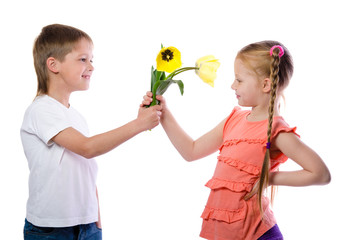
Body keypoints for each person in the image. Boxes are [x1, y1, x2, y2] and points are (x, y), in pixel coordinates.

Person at [142, 40, 331, 240]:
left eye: (239, 80)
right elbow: (191, 150)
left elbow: (321, 174)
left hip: (258, 235)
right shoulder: (234, 119)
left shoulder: (276, 131)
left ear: (266, 84)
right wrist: (163, 113)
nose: (233, 85)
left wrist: (270, 179)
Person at [20, 24, 162, 240]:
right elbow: (88, 148)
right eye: (83, 59)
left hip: (87, 224)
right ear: (53, 64)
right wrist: (139, 124)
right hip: (53, 230)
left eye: (91, 60)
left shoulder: (75, 116)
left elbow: (83, 167)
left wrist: (95, 213)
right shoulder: (41, 110)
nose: (91, 67)